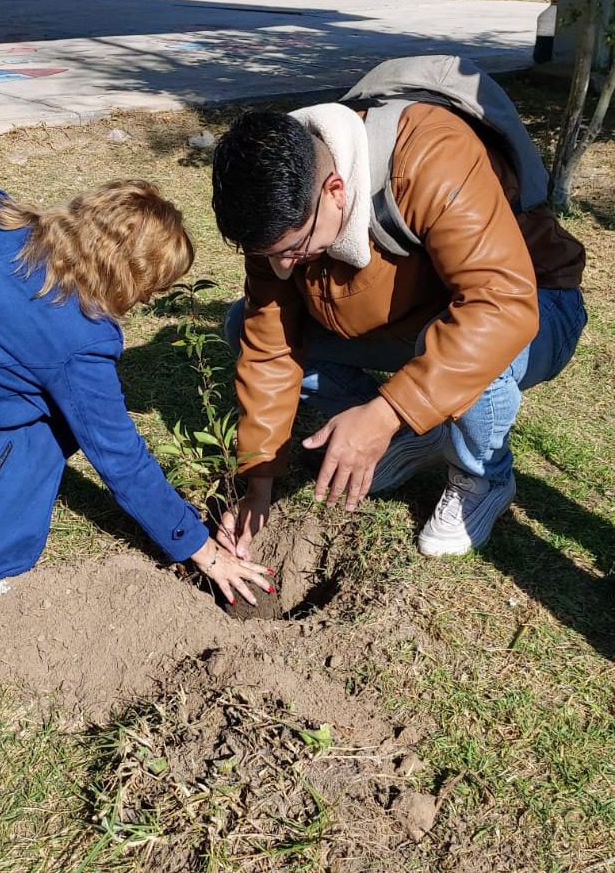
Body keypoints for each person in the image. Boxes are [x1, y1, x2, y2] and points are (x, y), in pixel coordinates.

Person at [211, 86, 586, 562]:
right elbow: (270, 345)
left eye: (294, 248)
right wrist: (259, 481)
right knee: (241, 321)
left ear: (335, 190)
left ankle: (482, 478)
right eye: (269, 256)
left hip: (537, 306)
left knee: (469, 338)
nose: (283, 266)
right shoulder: (279, 213)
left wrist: (385, 412)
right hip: (417, 318)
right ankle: (421, 431)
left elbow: (500, 306)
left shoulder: (430, 155)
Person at [0, 180, 273, 615]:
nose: (148, 298)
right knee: (53, 425)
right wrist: (204, 551)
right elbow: (121, 458)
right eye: (152, 284)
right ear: (127, 272)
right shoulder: (76, 335)